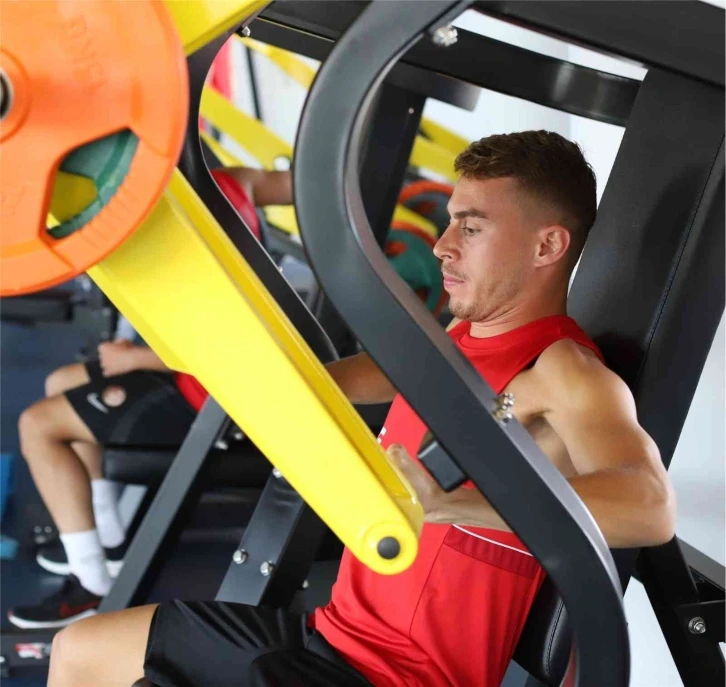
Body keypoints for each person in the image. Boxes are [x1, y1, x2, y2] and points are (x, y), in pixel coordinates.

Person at [48, 131, 676, 687]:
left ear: (547, 246)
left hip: (393, 676)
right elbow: (364, 375)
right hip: (330, 637)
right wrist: (253, 367)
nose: (443, 246)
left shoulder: (561, 371)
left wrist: (452, 505)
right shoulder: (458, 338)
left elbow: (649, 507)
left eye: (472, 227)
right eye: (450, 222)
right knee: (82, 652)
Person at [6, 166, 292, 629]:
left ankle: (90, 586)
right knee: (62, 381)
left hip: (212, 394)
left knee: (38, 425)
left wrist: (136, 358)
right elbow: (307, 184)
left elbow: (229, 345)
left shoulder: (183, 219)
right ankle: (109, 537)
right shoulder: (232, 183)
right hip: (199, 370)